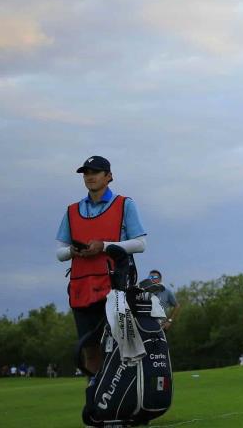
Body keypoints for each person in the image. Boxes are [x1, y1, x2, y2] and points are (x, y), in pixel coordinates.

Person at [55, 156, 146, 376]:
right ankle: (96, 397)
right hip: (81, 286)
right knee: (90, 350)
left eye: (95, 172)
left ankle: (125, 395)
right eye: (86, 173)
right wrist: (72, 251)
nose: (89, 177)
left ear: (109, 176)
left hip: (115, 285)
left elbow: (141, 244)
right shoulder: (72, 210)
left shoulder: (125, 204)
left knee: (122, 346)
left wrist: (104, 246)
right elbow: (60, 252)